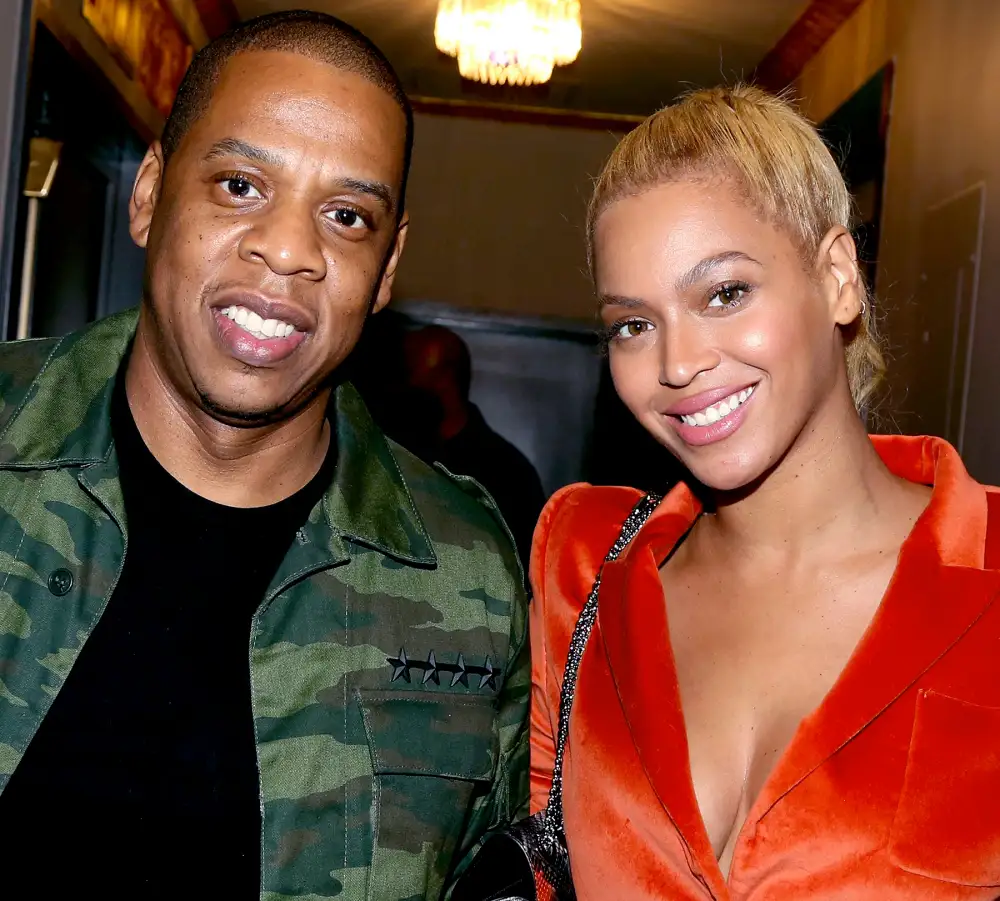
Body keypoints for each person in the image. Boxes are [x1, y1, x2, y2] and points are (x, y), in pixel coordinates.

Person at [0, 11, 528, 899]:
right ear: (149, 193)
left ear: (387, 267)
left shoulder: (469, 577)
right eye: (241, 185)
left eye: (346, 216)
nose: (288, 249)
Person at [529, 84, 1000, 900]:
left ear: (839, 277)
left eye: (725, 293)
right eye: (633, 324)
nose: (678, 363)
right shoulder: (582, 567)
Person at [400, 325, 547, 567]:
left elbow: (524, 565)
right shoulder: (400, 454)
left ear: (446, 378)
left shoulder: (508, 472)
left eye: (413, 375)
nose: (404, 387)